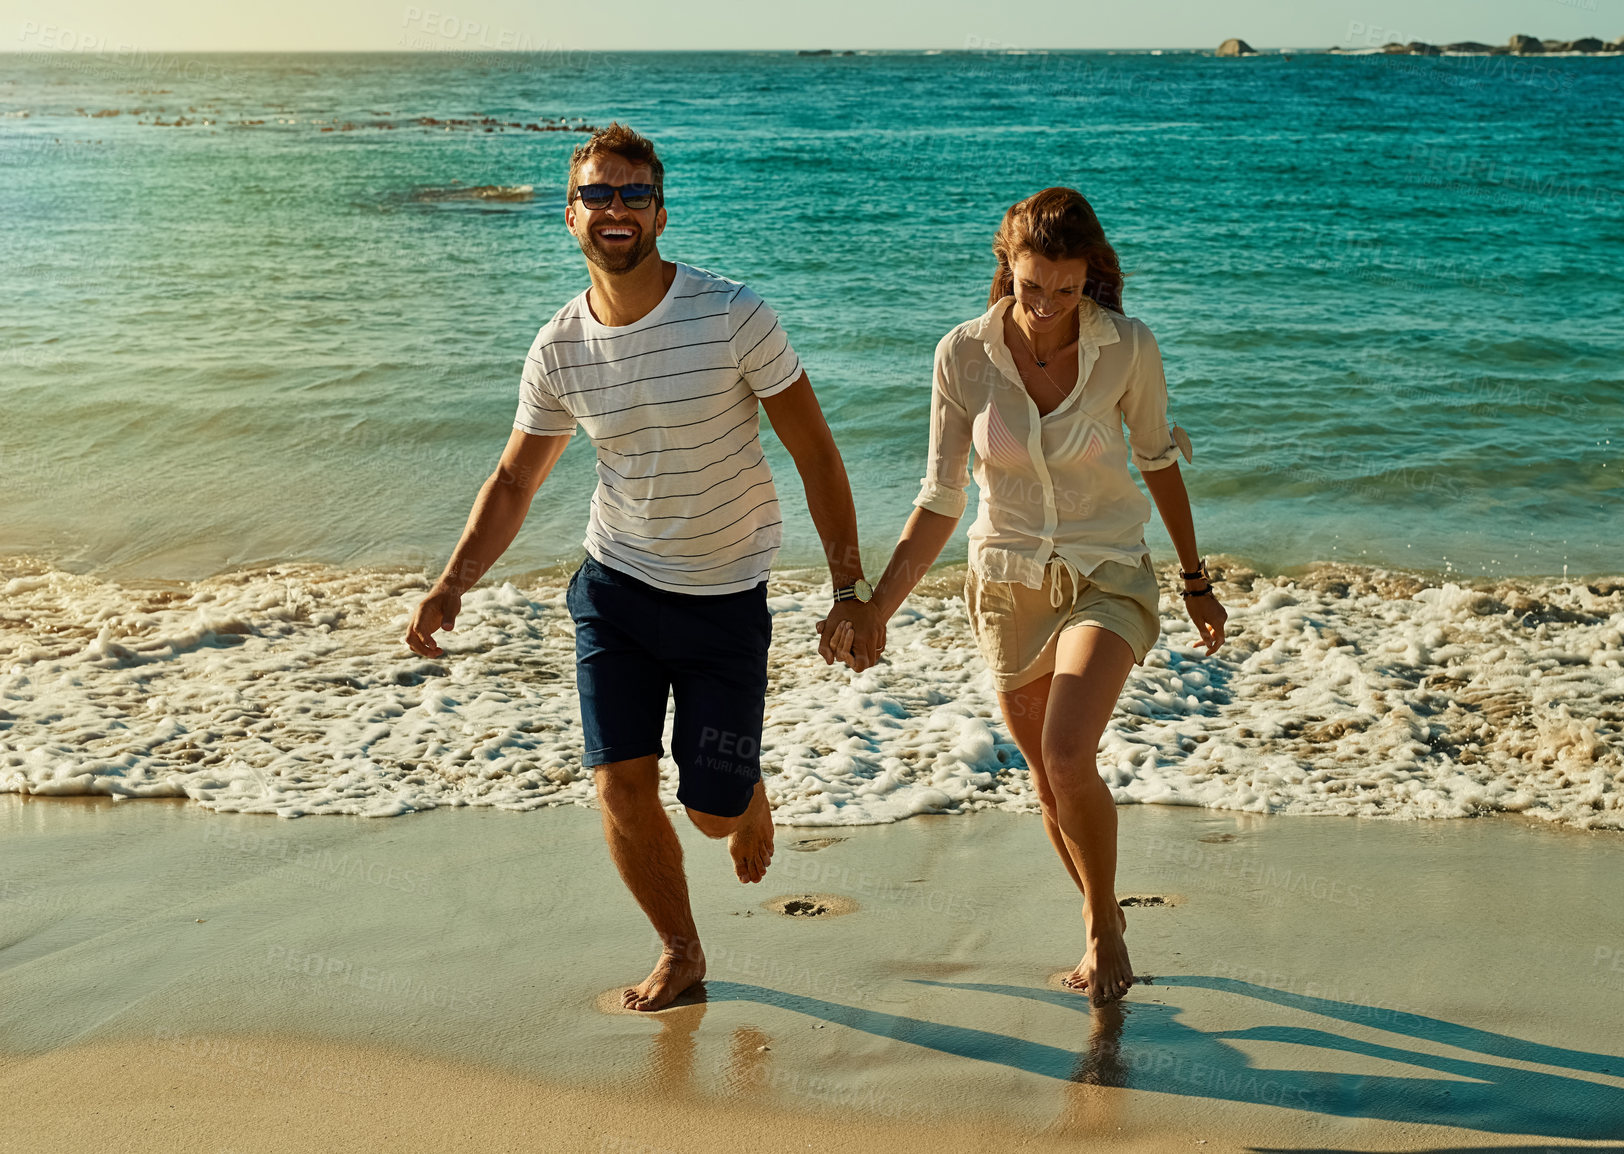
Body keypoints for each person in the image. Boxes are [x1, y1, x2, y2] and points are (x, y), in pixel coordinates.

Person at [404, 123, 872, 1012]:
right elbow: (514, 477)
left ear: (660, 210)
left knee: (711, 811)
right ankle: (682, 950)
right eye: (596, 194)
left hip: (725, 600)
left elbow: (815, 452)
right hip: (613, 589)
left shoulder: (734, 314)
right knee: (619, 782)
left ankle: (746, 797)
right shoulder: (558, 349)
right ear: (569, 214)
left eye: (632, 194)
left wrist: (850, 590)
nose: (614, 209)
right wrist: (452, 582)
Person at [828, 187, 1229, 1005]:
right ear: (1005, 268)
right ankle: (1095, 912)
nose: (1046, 307)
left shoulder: (1128, 348)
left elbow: (1156, 460)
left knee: (1066, 753)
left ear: (1093, 279)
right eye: (1030, 286)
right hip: (1006, 584)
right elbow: (940, 500)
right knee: (1050, 785)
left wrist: (1195, 580)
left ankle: (1105, 928)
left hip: (1107, 570)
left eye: (1066, 289)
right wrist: (874, 608)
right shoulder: (963, 356)